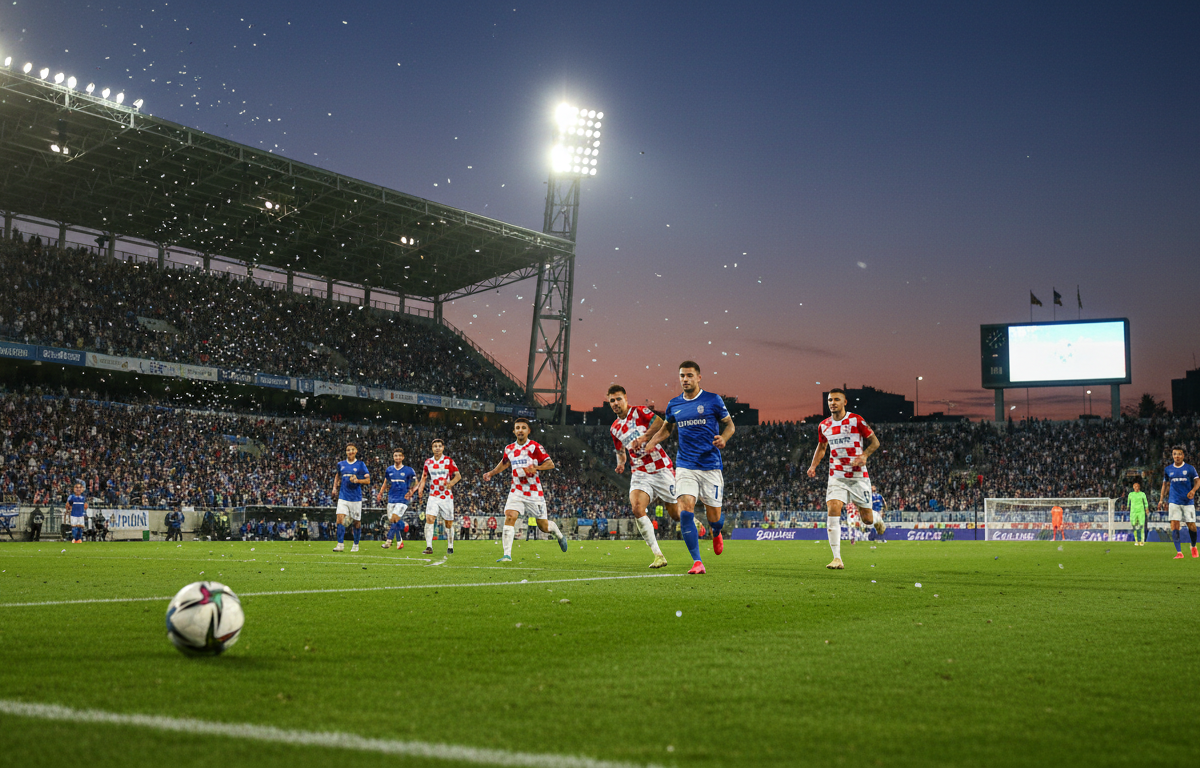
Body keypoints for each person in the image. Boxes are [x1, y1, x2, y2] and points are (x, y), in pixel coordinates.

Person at [640, 361, 735, 575]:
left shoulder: (713, 400)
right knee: (685, 510)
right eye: (682, 375)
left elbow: (730, 425)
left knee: (715, 518)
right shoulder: (674, 404)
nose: (685, 379)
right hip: (685, 465)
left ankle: (716, 532)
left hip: (710, 465)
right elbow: (667, 429)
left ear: (699, 377)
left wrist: (724, 438)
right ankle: (697, 561)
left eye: (689, 375)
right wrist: (653, 441)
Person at [807, 388, 881, 570]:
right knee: (833, 507)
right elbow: (822, 447)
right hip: (837, 476)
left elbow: (875, 442)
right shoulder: (824, 425)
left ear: (844, 402)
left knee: (867, 519)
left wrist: (865, 455)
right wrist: (813, 465)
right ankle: (837, 558)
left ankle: (878, 520)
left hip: (858, 476)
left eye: (836, 399)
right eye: (830, 400)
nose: (832, 403)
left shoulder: (856, 420)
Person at [482, 418, 568, 562]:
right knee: (510, 515)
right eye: (517, 428)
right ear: (514, 431)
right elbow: (504, 463)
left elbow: (550, 464)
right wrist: (491, 473)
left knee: (544, 527)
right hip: (516, 490)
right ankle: (507, 555)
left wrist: (536, 468)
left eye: (523, 427)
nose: (520, 430)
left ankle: (559, 535)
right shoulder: (509, 448)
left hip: (534, 493)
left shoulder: (534, 447)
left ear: (528, 431)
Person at [607, 384, 673, 569]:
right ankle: (658, 555)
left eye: (618, 399)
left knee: (676, 514)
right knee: (637, 508)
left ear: (626, 399)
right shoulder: (614, 428)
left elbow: (661, 423)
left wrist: (643, 439)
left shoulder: (639, 412)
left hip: (660, 467)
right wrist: (621, 464)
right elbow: (620, 450)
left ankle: (692, 519)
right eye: (612, 400)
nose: (615, 403)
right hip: (640, 472)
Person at [412, 438, 460, 555]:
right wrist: (420, 490)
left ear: (443, 448)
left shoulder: (448, 461)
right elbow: (424, 477)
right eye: (435, 446)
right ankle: (429, 547)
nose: (437, 448)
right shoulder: (428, 462)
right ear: (432, 448)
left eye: (439, 446)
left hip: (446, 496)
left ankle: (450, 546)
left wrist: (450, 484)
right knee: (429, 519)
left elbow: (458, 476)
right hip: (433, 496)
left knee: (448, 523)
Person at [1159, 446, 1200, 559]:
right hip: (1174, 501)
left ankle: (1193, 546)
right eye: (1175, 454)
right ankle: (1179, 552)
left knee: (1191, 525)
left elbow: (1197, 481)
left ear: (1183, 455)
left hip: (1187, 501)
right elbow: (1165, 485)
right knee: (1174, 525)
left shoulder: (1190, 468)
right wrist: (1161, 499)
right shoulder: (1168, 469)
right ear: (1172, 455)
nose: (1177, 456)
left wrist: (1193, 491)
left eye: (1179, 454)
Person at [331, 443, 371, 553]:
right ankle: (340, 544)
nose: (350, 451)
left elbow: (368, 480)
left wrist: (358, 480)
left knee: (356, 523)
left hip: (356, 498)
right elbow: (338, 475)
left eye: (352, 449)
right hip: (343, 497)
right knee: (340, 520)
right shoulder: (341, 464)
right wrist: (334, 488)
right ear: (346, 452)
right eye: (348, 450)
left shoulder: (361, 465)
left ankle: (356, 544)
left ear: (356, 451)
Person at [376, 448, 417, 550]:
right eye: (395, 456)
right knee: (393, 521)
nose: (397, 457)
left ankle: (388, 541)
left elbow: (417, 484)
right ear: (393, 457)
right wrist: (380, 493)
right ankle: (402, 529)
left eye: (399, 455)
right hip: (391, 498)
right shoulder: (389, 470)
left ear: (403, 457)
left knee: (394, 518)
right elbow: (386, 482)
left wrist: (411, 492)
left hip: (403, 499)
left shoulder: (409, 470)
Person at [1128, 482, 1148, 546]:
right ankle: (1136, 540)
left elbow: (1145, 501)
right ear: (1133, 487)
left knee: (1141, 526)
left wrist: (1146, 508)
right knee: (1134, 525)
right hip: (1133, 512)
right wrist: (1127, 507)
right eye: (1135, 486)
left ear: (1139, 487)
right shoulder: (1130, 494)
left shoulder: (1142, 494)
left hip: (1141, 511)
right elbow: (1128, 503)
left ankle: (1142, 541)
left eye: (1137, 486)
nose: (1136, 488)